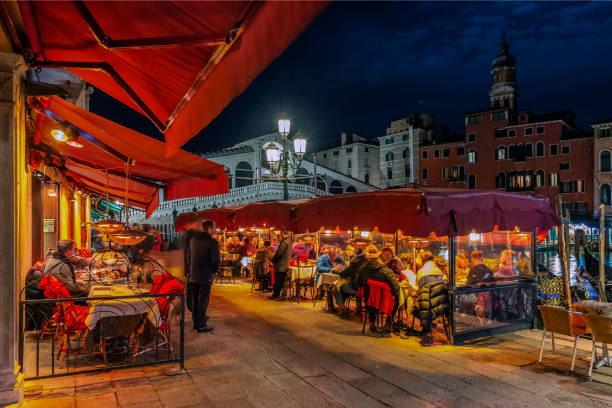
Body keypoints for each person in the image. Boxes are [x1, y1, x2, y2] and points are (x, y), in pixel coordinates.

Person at [353, 245, 400, 332]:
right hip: (384, 301)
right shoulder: (387, 271)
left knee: (369, 299)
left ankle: (372, 323)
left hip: (369, 301)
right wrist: (394, 295)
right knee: (397, 299)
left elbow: (356, 284)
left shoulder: (362, 270)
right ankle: (388, 322)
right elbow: (396, 288)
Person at [188, 219, 220, 333]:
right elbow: (216, 261)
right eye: (214, 227)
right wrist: (214, 272)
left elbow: (189, 257)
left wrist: (190, 270)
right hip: (205, 275)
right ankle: (201, 325)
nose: (216, 229)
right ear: (209, 229)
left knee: (195, 300)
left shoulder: (193, 239)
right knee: (203, 302)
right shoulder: (213, 242)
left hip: (193, 275)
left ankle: (196, 322)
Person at [335, 248, 368, 316]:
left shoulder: (354, 262)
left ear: (356, 254)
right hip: (368, 288)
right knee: (343, 288)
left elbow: (344, 274)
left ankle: (341, 307)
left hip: (357, 288)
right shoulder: (368, 261)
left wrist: (336, 272)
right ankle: (356, 308)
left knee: (340, 287)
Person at [180, 216, 203, 311]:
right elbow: (189, 253)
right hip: (193, 269)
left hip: (192, 269)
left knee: (194, 291)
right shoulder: (191, 236)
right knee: (194, 292)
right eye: (200, 224)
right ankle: (196, 313)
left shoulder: (189, 235)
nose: (201, 226)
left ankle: (197, 312)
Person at [269, 230, 291, 300]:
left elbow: (279, 253)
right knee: (282, 281)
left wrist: (273, 259)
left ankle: (276, 295)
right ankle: (280, 295)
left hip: (281, 264)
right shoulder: (289, 241)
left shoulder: (284, 241)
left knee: (278, 280)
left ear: (282, 233)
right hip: (285, 264)